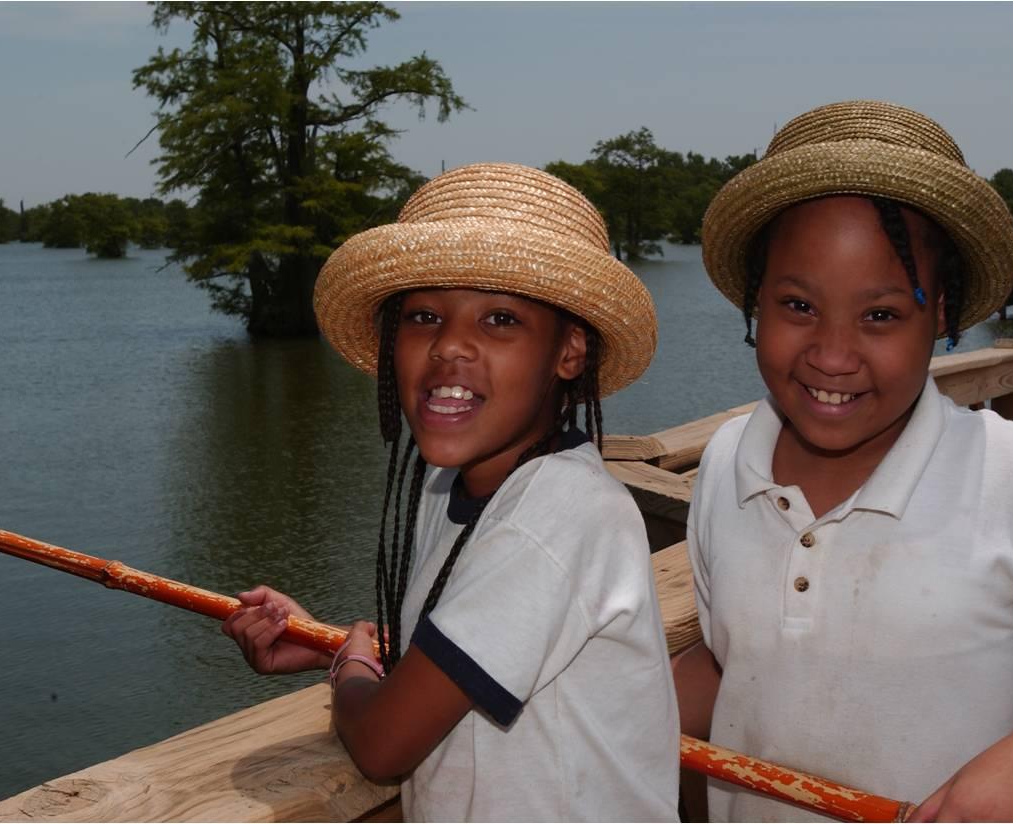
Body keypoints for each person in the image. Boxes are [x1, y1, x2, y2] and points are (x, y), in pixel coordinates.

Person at [672, 100, 1013, 822]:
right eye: (797, 305)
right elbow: (729, 661)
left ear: (942, 316)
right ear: (754, 302)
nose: (833, 355)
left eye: (881, 316)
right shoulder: (725, 466)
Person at [222, 163, 680, 821]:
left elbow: (383, 747)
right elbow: (468, 638)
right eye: (423, 315)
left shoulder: (558, 515)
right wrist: (330, 642)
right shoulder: (447, 486)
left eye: (499, 318)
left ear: (570, 351)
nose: (450, 348)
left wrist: (352, 672)